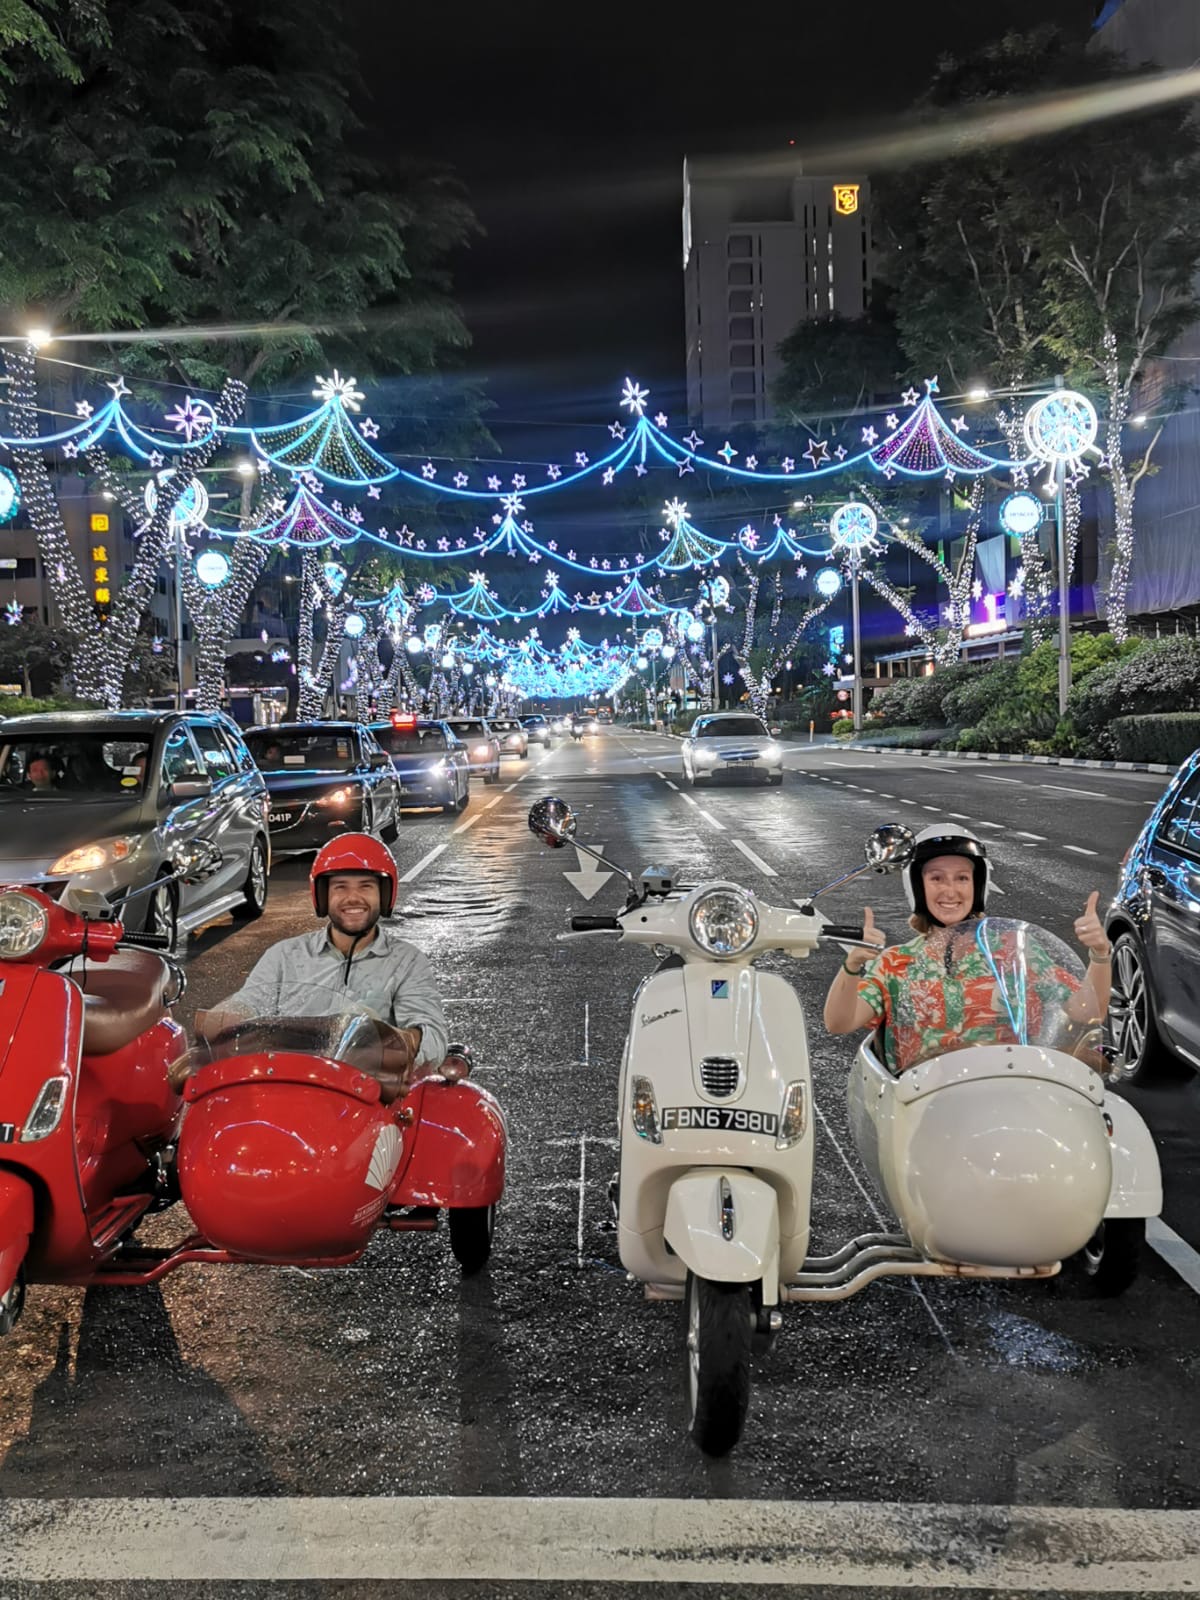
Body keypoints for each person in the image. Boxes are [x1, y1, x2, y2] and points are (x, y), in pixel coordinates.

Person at [823, 824, 1113, 1074]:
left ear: (978, 885)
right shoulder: (896, 963)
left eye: (962, 878)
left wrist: (1100, 953)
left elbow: (1086, 1010)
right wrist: (853, 965)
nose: (950, 890)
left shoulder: (1015, 953)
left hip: (1016, 1098)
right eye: (936, 878)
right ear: (917, 886)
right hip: (925, 1108)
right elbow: (839, 1022)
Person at [183, 834, 454, 1099]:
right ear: (322, 895)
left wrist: (403, 1040)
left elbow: (431, 1034)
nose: (353, 898)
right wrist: (223, 1025)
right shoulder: (284, 955)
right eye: (341, 887)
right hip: (282, 1093)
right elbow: (250, 1002)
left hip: (364, 1099)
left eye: (365, 887)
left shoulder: (407, 961)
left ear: (384, 895)